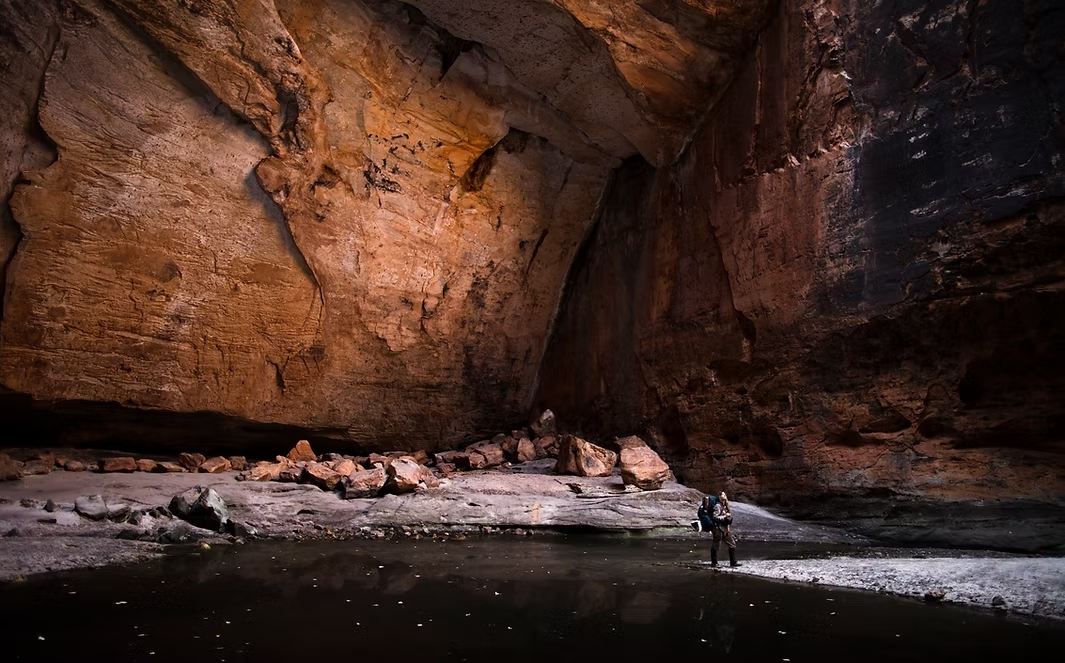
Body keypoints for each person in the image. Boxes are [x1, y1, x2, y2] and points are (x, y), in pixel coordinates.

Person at [711, 491, 740, 567]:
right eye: (721, 495)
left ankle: (733, 562)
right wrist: (724, 516)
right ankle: (714, 563)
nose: (723, 496)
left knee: (732, 544)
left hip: (724, 528)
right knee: (716, 545)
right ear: (719, 497)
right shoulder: (717, 506)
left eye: (724, 494)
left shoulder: (725, 506)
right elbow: (714, 517)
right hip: (718, 528)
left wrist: (728, 527)